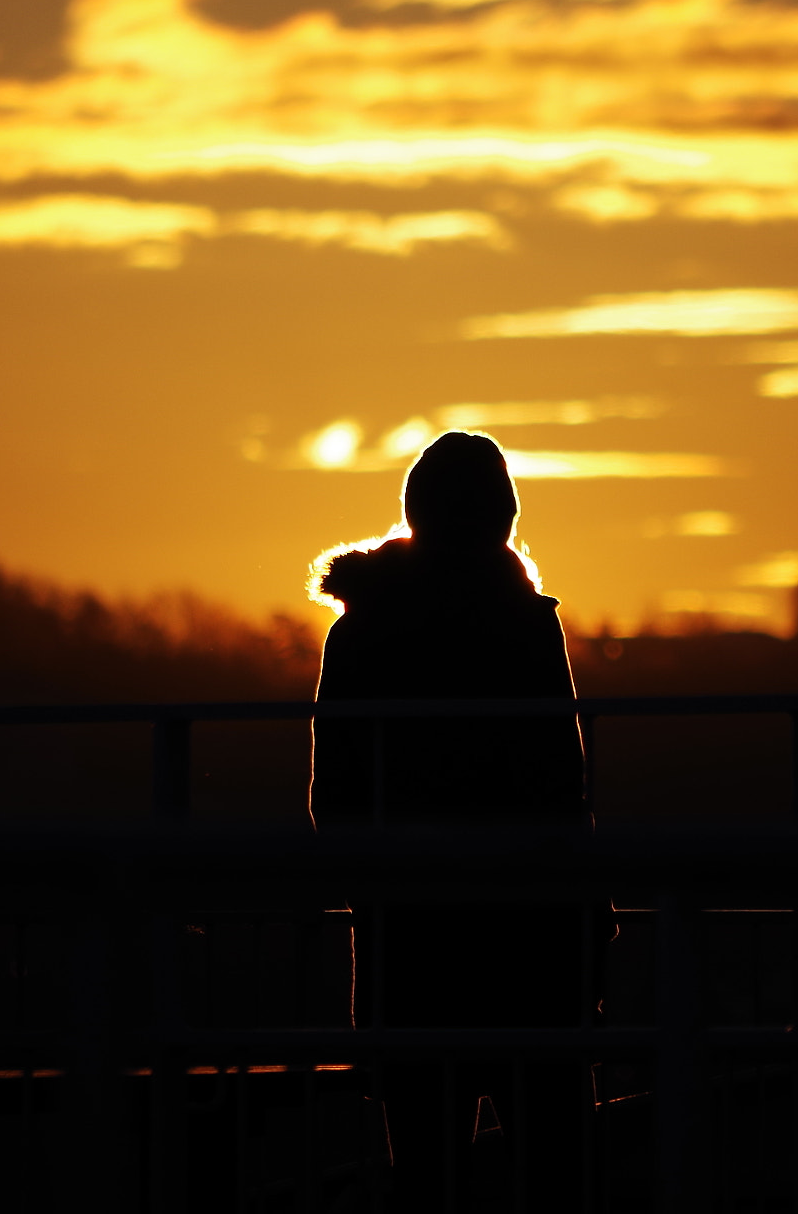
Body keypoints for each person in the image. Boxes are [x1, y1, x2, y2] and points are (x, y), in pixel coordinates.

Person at [310, 430, 591, 1210]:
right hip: (532, 946)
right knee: (556, 1167)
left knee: (426, 1173)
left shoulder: (359, 632)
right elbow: (563, 786)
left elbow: (333, 797)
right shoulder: (528, 627)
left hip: (413, 946)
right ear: (502, 514)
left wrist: (374, 892)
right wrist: (587, 919)